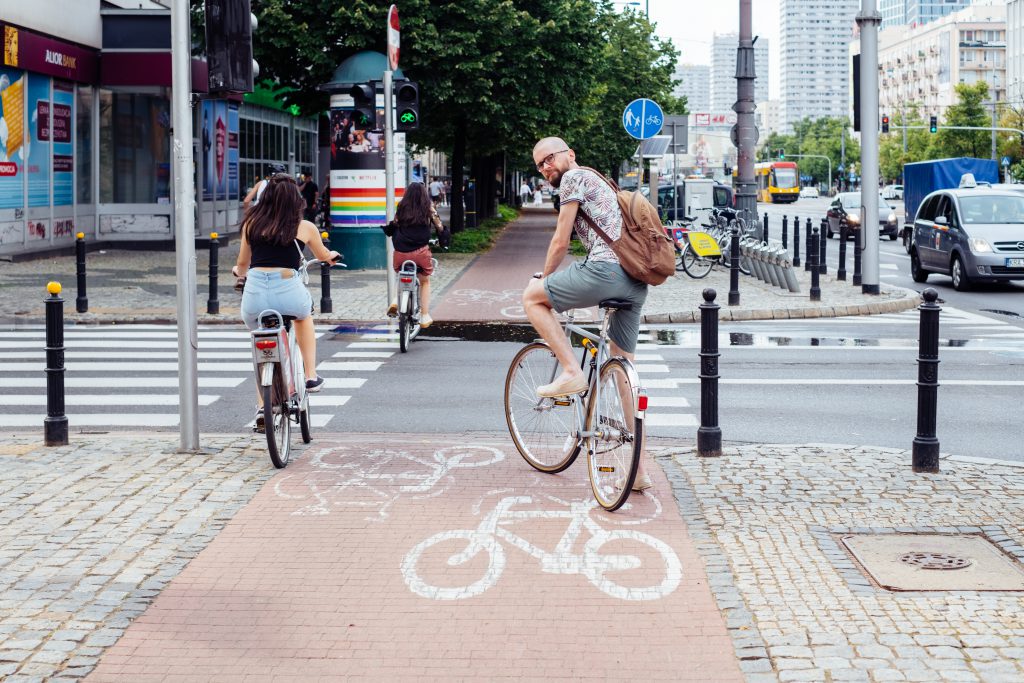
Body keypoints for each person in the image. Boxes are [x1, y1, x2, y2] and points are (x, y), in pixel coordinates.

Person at [521, 136, 652, 491]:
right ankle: (639, 473)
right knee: (624, 371)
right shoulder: (602, 182)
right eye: (540, 164)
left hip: (605, 273)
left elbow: (560, 241)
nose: (546, 166)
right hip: (634, 282)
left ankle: (570, 371)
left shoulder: (573, 179)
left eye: (550, 158)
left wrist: (544, 278)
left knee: (533, 298)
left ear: (570, 155)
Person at [232, 174, 342, 428]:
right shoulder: (304, 227)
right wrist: (331, 256)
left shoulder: (251, 224)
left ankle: (262, 408)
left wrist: (239, 272)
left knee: (260, 346)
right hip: (288, 290)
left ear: (266, 197)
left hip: (255, 296)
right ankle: (311, 375)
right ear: (296, 199)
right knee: (304, 317)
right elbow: (324, 255)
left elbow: (242, 264)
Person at [384, 182, 447, 328]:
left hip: (400, 252)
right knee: (424, 281)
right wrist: (443, 237)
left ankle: (395, 300)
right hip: (420, 252)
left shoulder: (402, 207)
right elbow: (439, 226)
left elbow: (394, 224)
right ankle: (424, 316)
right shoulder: (428, 208)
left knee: (400, 274)